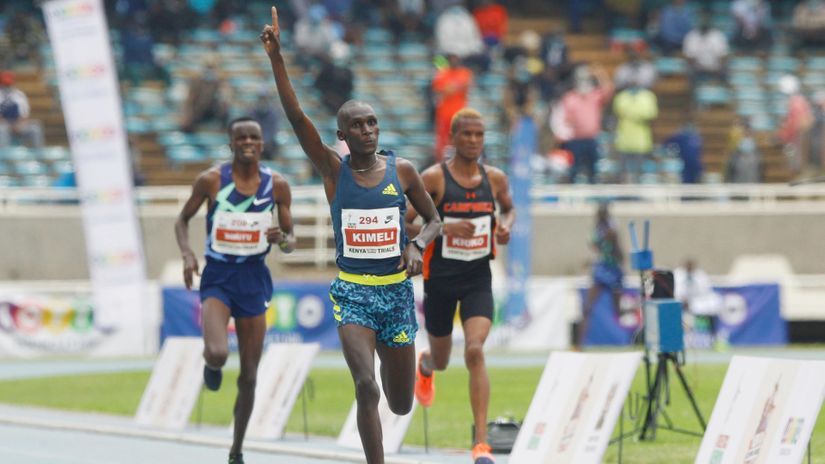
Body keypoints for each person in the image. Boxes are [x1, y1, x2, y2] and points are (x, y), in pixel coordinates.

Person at [260, 8, 442, 464]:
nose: (367, 130)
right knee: (365, 385)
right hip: (353, 294)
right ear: (342, 134)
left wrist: (418, 244)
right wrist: (277, 58)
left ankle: (416, 376)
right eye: (357, 125)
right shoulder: (333, 171)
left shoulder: (402, 171)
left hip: (396, 295)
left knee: (399, 403)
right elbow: (297, 116)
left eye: (372, 123)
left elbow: (434, 219)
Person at [174, 117, 296, 464]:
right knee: (217, 352)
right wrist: (187, 254)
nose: (247, 142)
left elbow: (290, 242)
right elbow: (182, 220)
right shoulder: (211, 180)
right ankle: (211, 366)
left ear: (262, 144)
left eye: (253, 137)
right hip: (219, 277)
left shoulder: (278, 186)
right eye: (240, 137)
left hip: (254, 279)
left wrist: (282, 239)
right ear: (230, 143)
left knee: (250, 374)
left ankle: (236, 450)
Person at [405, 108, 514, 464]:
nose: (473, 141)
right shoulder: (434, 179)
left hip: (478, 278)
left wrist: (504, 226)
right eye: (466, 134)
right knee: (442, 359)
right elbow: (403, 223)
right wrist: (444, 227)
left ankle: (481, 445)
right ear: (453, 138)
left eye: (479, 135)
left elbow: (509, 209)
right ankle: (426, 364)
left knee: (475, 351)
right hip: (441, 281)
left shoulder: (495, 179)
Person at [577, 202, 624, 350]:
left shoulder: (612, 226)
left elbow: (615, 245)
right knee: (587, 307)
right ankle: (580, 344)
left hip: (613, 268)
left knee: (617, 309)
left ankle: (628, 339)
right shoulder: (596, 229)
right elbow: (595, 247)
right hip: (601, 268)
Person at [558, 64, 613, 183]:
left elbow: (608, 90)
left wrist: (599, 74)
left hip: (591, 139)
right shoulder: (569, 97)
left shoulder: (594, 96)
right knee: (573, 170)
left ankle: (593, 198)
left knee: (593, 171)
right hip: (574, 140)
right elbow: (564, 119)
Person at [613, 77, 658, 183]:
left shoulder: (648, 96)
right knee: (622, 173)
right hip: (623, 141)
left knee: (640, 173)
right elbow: (619, 112)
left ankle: (638, 197)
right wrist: (637, 113)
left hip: (641, 142)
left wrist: (630, 113)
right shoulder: (621, 97)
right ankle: (623, 197)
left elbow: (649, 114)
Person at [432, 54, 474, 161]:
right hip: (444, 113)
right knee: (443, 139)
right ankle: (441, 161)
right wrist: (455, 87)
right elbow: (442, 90)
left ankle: (460, 159)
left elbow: (465, 85)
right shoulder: (442, 74)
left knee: (461, 137)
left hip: (460, 112)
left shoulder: (464, 73)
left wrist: (452, 87)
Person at [682, 15, 729, 89]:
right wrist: (701, 67)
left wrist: (716, 69)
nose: (704, 23)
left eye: (706, 20)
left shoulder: (718, 36)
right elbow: (689, 58)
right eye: (702, 21)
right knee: (689, 76)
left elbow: (723, 56)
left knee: (725, 75)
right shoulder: (691, 36)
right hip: (698, 71)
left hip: (716, 71)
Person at [0, 71, 44, 149]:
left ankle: (38, 156)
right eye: (5, 84)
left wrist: (19, 124)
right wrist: (7, 124)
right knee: (2, 129)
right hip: (3, 125)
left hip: (18, 125)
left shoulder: (19, 95)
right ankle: (4, 157)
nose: (7, 86)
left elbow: (25, 115)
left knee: (35, 127)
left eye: (8, 84)